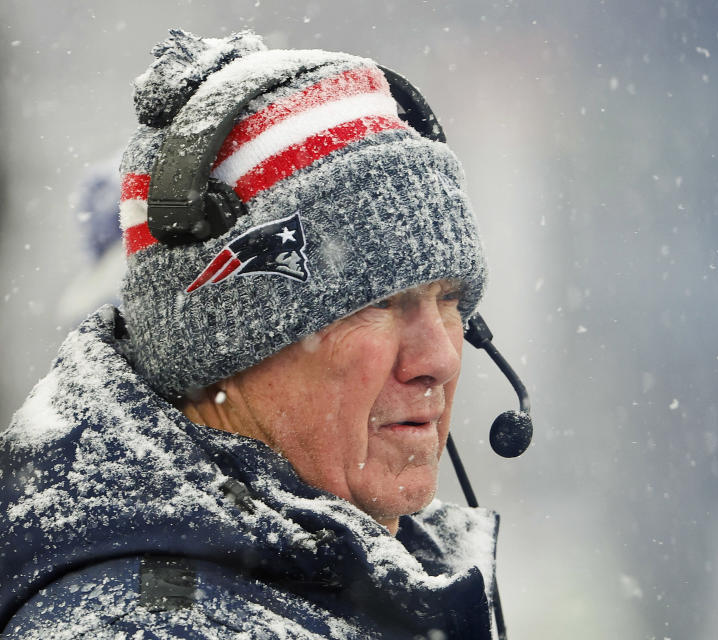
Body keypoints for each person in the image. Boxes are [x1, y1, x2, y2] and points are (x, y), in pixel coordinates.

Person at [0, 29, 503, 639]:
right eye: (379, 303)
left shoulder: (331, 581)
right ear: (222, 348)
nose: (441, 358)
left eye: (449, 300)